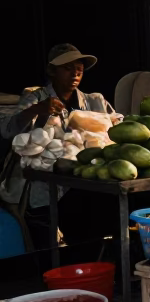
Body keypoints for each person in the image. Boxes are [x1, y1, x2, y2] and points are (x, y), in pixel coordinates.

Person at [0, 44, 115, 250]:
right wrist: (37, 110)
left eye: (79, 67)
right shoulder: (35, 97)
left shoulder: (94, 101)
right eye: (67, 68)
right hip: (47, 183)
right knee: (49, 237)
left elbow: (116, 128)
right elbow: (8, 130)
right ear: (51, 71)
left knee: (94, 226)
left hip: (86, 181)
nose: (76, 73)